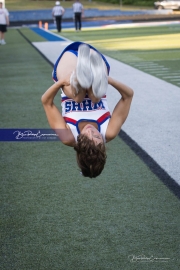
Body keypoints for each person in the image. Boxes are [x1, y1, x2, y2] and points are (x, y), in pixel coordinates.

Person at [41, 42, 134, 178]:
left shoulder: (68, 137)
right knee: (95, 97)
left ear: (79, 145)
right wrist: (110, 80)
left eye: (86, 136)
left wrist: (60, 83)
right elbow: (128, 96)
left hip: (69, 69)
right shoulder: (109, 131)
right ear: (102, 143)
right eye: (96, 136)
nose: (91, 130)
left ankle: (80, 79)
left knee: (76, 97)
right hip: (94, 63)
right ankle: (93, 77)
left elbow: (47, 102)